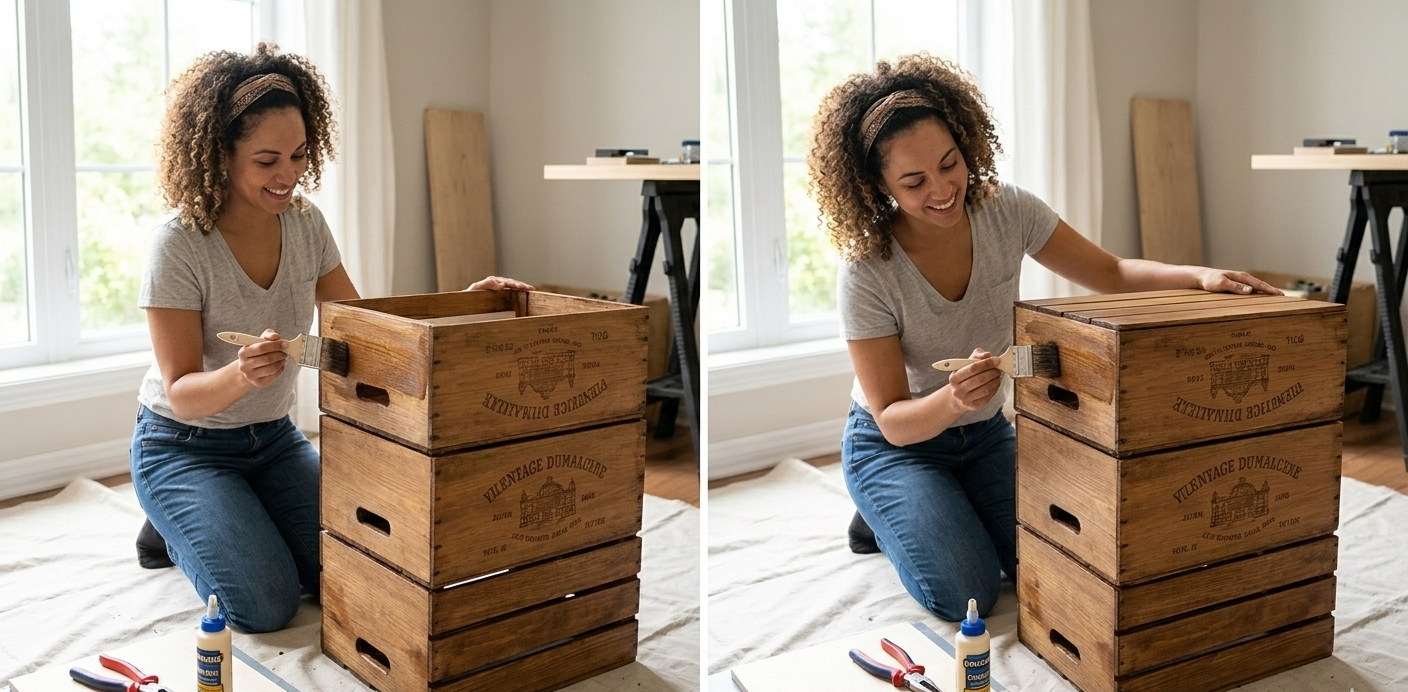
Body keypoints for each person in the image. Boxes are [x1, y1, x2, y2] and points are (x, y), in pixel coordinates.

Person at [808, 53, 1281, 622]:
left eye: (949, 163)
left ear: (965, 145)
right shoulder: (866, 270)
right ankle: (885, 509)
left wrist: (1199, 275)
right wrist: (953, 398)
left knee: (1063, 553)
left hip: (982, 435)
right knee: (968, 591)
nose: (941, 189)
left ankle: (933, 507)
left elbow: (1110, 273)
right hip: (896, 445)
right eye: (914, 181)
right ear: (878, 186)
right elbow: (889, 416)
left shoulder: (1007, 210)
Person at [132, 43, 531, 633]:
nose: (288, 175)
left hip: (271, 440)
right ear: (220, 155)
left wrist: (466, 306)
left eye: (298, 155)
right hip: (184, 443)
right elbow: (184, 392)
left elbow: (367, 328)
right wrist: (243, 372)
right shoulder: (179, 244)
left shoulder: (305, 223)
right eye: (267, 160)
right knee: (267, 606)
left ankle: (236, 512)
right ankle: (171, 514)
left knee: (364, 568)